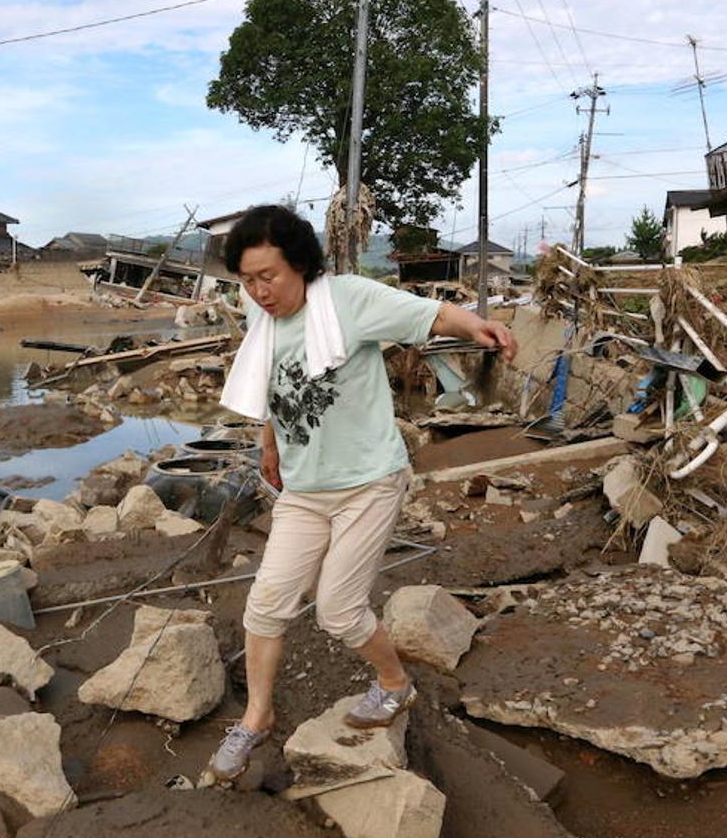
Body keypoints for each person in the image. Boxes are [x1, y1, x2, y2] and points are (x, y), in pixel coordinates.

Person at [208, 205, 517, 781]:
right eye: (247, 280)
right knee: (265, 605)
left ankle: (395, 685)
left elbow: (430, 314)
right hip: (304, 489)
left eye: (267, 276)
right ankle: (257, 716)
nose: (258, 290)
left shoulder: (347, 299)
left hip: (368, 484)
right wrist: (269, 445)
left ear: (300, 263)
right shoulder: (265, 322)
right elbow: (275, 391)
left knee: (339, 611)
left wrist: (478, 326)